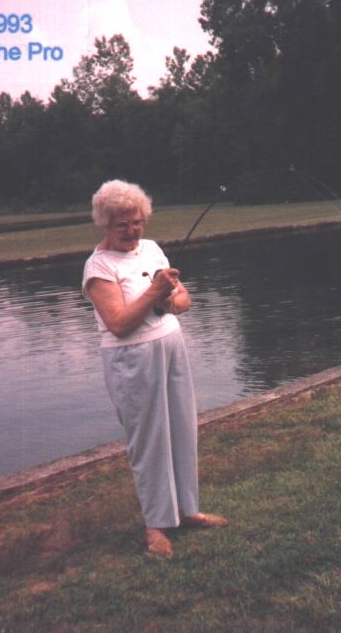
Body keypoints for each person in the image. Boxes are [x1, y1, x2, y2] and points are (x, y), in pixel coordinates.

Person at [82, 179, 227, 557]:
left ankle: (188, 510)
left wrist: (169, 302)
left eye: (137, 222)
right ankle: (156, 525)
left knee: (183, 428)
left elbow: (184, 298)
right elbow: (118, 323)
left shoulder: (151, 249)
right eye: (122, 225)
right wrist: (154, 293)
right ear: (105, 224)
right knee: (148, 440)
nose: (132, 231)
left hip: (171, 345)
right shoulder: (98, 267)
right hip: (131, 359)